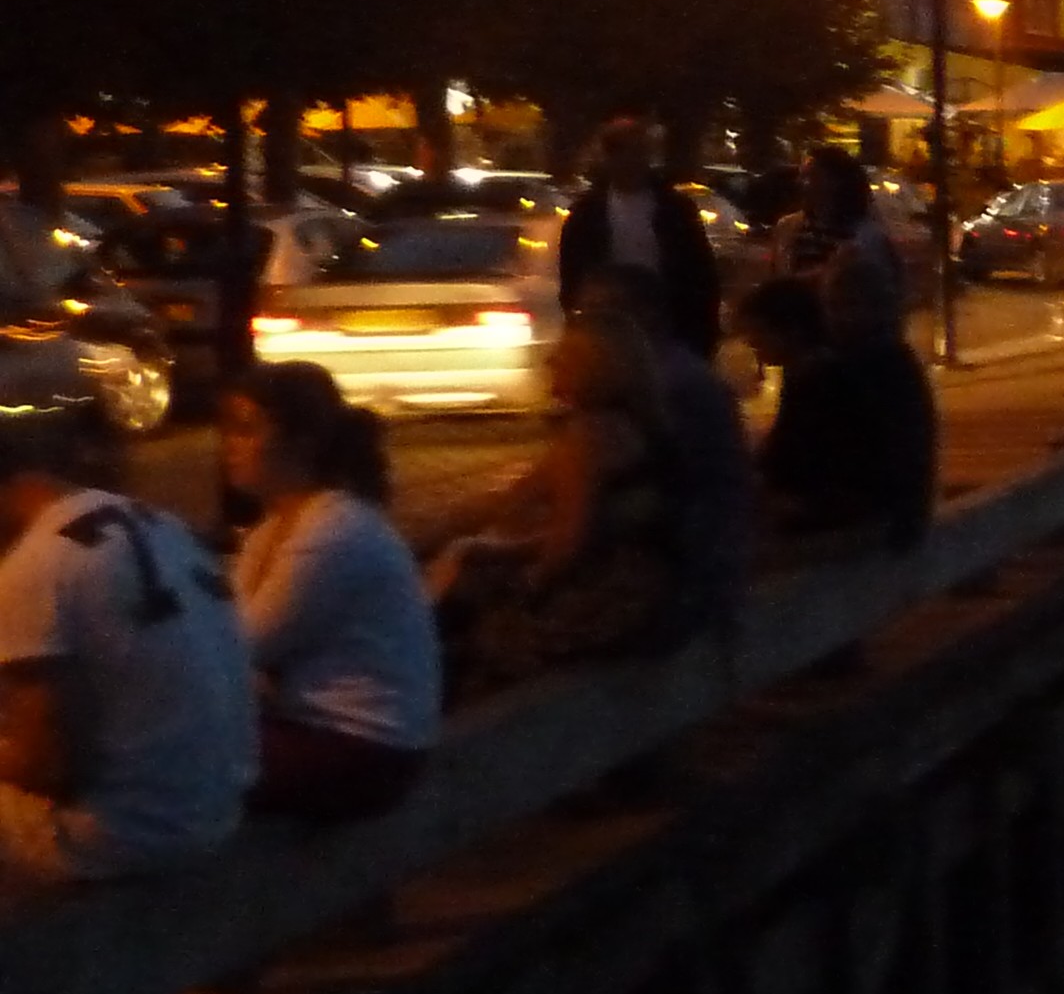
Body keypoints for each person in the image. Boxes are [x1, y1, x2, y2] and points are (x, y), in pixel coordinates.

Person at [0, 408, 253, 882]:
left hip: (131, 831)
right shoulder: (161, 524)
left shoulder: (32, 566)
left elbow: (46, 766)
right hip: (218, 804)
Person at [221, 362, 440, 822]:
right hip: (311, 727)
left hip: (361, 747)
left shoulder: (333, 530)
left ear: (300, 443)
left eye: (248, 430)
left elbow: (240, 646)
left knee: (160, 760)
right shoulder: (272, 530)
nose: (231, 445)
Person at [424, 310, 688, 687]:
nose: (550, 363)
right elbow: (530, 499)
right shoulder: (637, 426)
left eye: (563, 356)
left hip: (608, 600)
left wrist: (526, 587)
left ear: (593, 368)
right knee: (468, 561)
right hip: (653, 588)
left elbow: (570, 540)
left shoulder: (585, 439)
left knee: (466, 617)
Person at [569, 268, 754, 636]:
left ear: (647, 313)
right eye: (584, 313)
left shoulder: (667, 385)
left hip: (689, 564)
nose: (591, 324)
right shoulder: (658, 375)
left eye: (604, 311)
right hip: (689, 548)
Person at [740, 275, 936, 553]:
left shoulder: (824, 378)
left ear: (790, 330)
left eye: (759, 335)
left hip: (858, 515)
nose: (753, 344)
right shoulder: (815, 373)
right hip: (869, 508)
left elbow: (810, 458)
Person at [556, 118, 721, 358]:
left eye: (640, 152)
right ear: (608, 157)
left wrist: (703, 330)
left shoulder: (675, 209)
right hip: (608, 327)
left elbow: (700, 271)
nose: (633, 161)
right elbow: (573, 274)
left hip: (671, 323)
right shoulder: (587, 213)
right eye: (624, 151)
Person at [769, 145, 905, 318]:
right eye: (802, 176)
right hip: (799, 325)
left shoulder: (867, 238)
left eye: (811, 177)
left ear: (837, 183)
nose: (801, 183)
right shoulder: (788, 228)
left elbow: (877, 293)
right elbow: (778, 279)